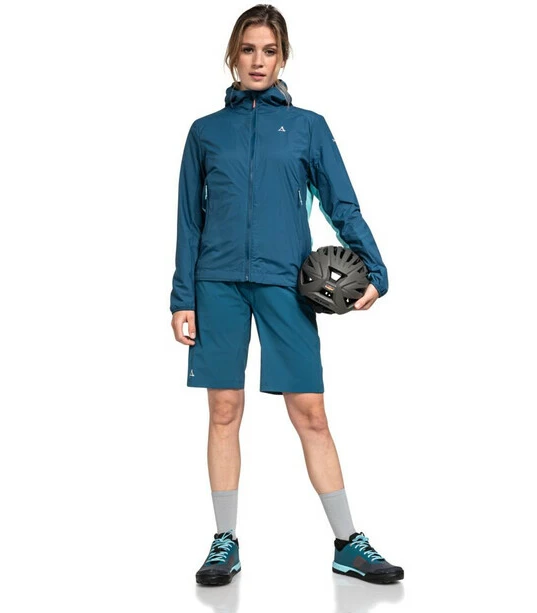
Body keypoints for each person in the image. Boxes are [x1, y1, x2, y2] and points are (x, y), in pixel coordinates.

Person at [170, 4, 404, 587]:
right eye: (248, 49)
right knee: (224, 409)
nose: (258, 61)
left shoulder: (307, 127)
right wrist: (182, 297)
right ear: (233, 54)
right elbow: (189, 222)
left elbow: (341, 203)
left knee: (311, 413)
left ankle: (348, 543)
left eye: (269, 51)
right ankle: (224, 542)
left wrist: (376, 269)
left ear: (283, 57)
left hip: (285, 283)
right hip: (217, 282)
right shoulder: (205, 132)